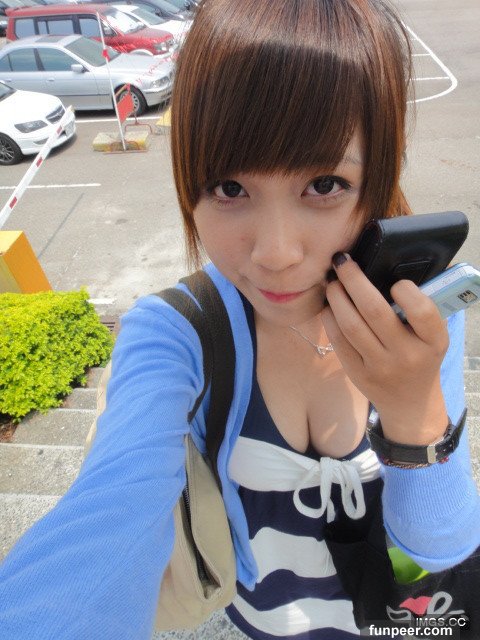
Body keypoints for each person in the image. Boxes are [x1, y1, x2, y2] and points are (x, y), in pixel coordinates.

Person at [1, 0, 479, 638]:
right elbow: (109, 516)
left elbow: (442, 551)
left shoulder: (413, 314)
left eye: (325, 184)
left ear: (380, 173)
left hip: (394, 622)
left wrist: (414, 414)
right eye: (229, 188)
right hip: (260, 619)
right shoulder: (177, 334)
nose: (276, 254)